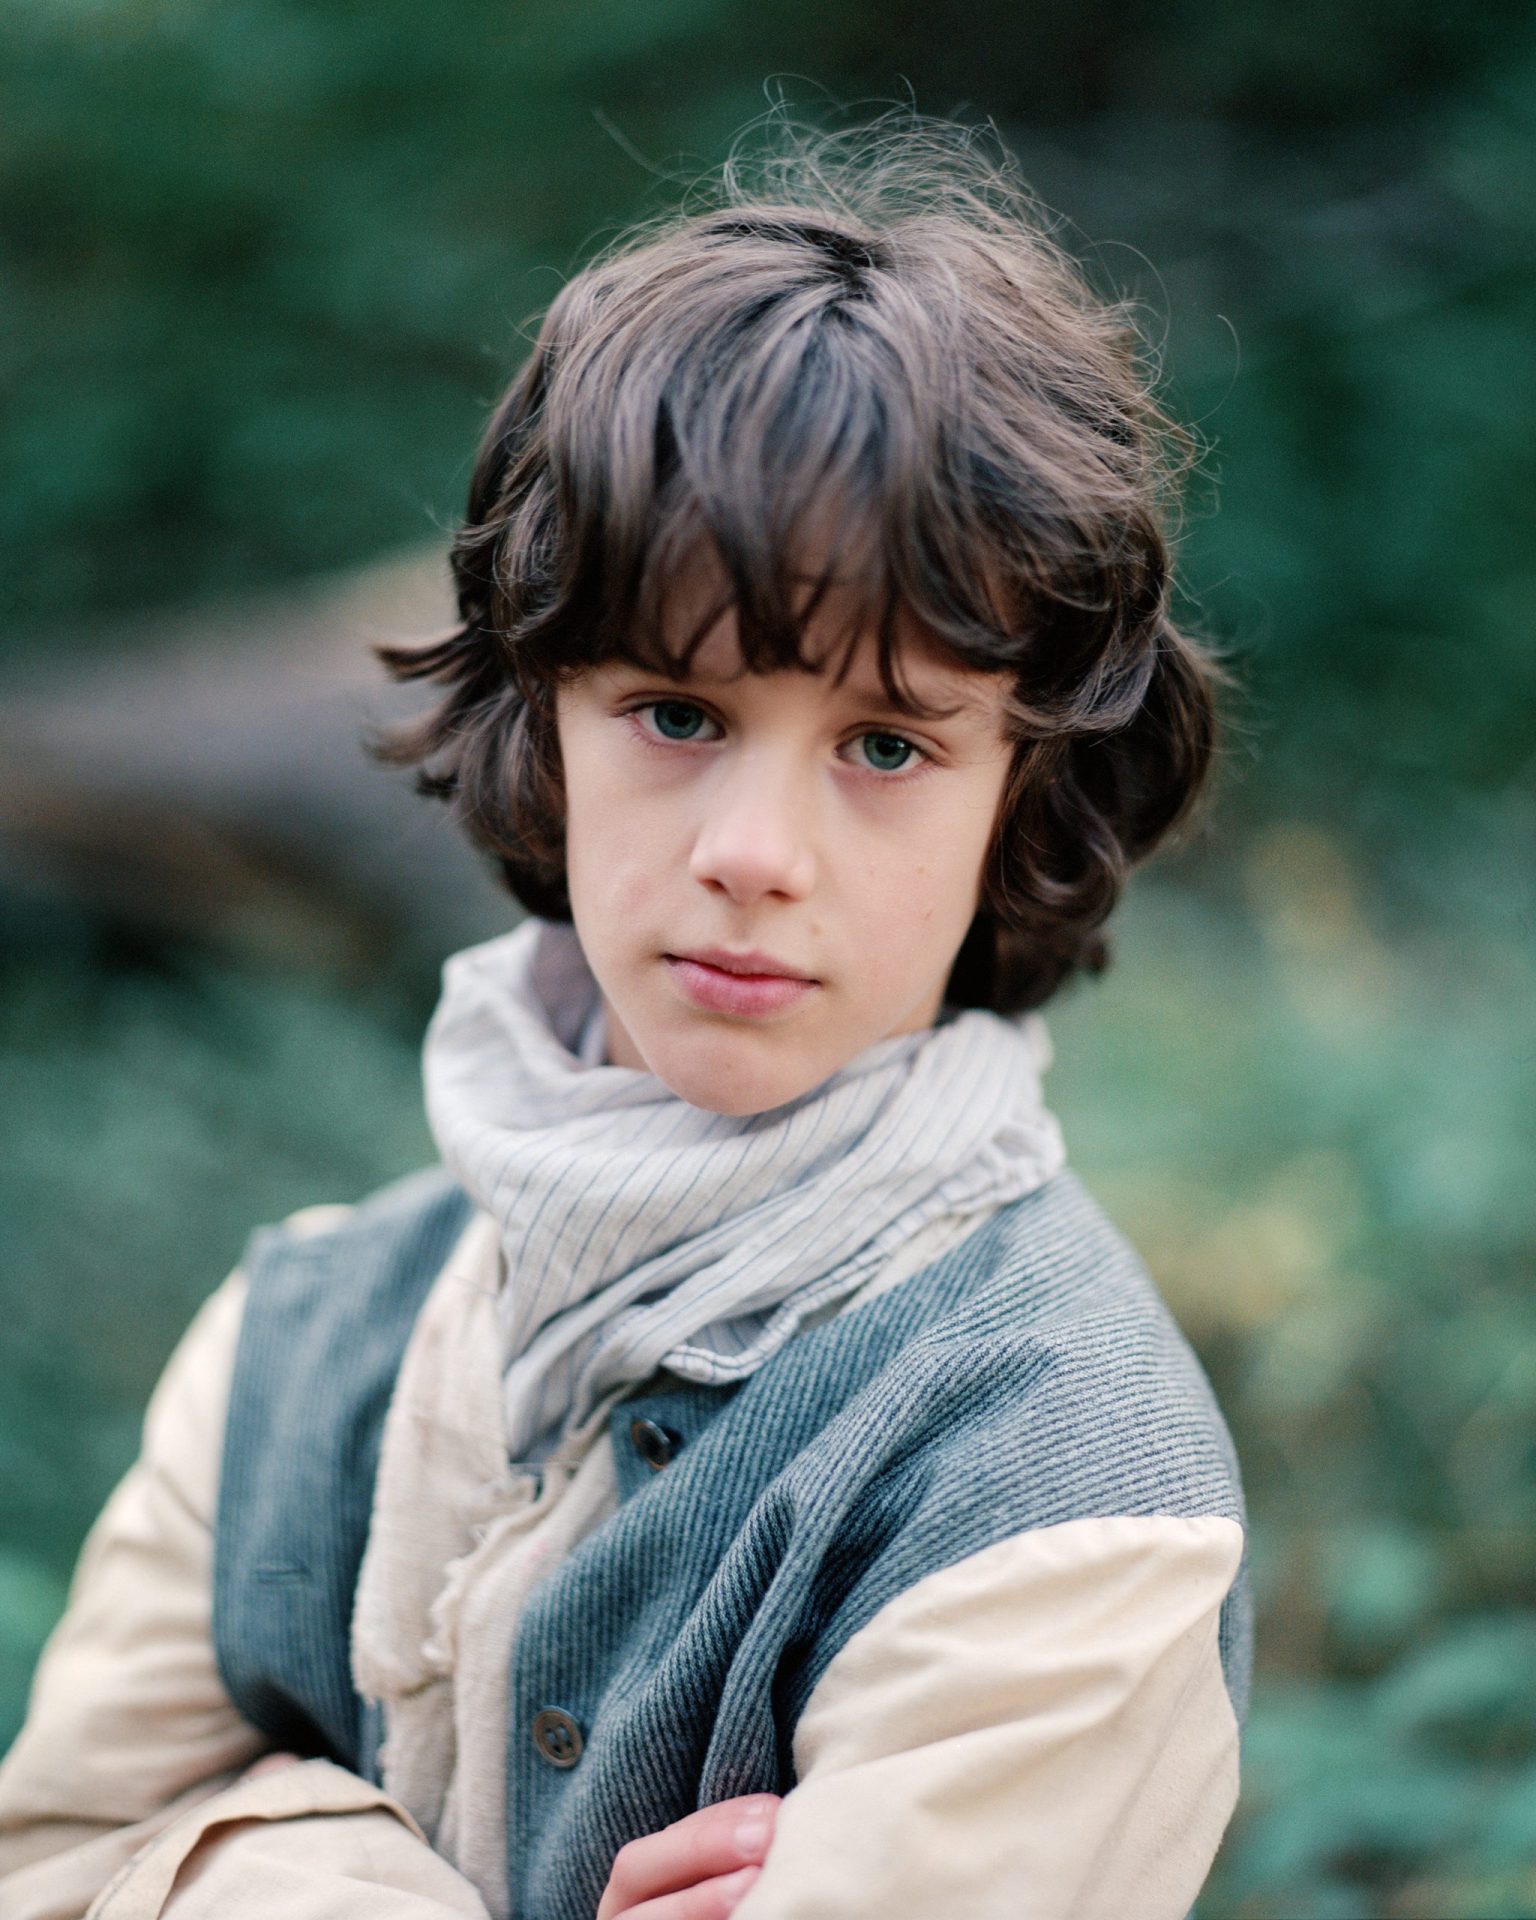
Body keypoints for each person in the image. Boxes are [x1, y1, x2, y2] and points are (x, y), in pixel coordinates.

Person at [0, 111, 1251, 1920]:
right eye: (677, 710)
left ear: (1020, 805)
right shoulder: (293, 1347)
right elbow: (45, 1864)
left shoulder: (1068, 1495)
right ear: (547, 718)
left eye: (888, 746)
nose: (753, 854)